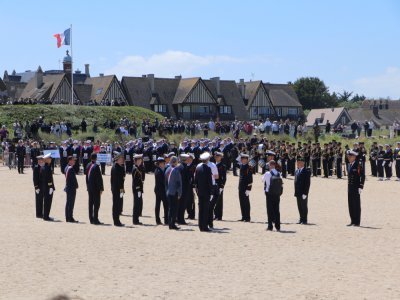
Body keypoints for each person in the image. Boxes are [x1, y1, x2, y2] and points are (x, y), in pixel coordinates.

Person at [194, 153, 213, 232]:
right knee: (205, 209)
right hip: (206, 192)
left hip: (200, 191)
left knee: (200, 209)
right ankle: (204, 226)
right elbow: (209, 182)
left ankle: (200, 225)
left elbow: (196, 181)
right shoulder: (208, 169)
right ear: (207, 160)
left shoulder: (198, 168)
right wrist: (211, 192)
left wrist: (197, 190)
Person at [262, 160, 283, 231]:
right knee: (277, 210)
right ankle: (278, 226)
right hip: (277, 194)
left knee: (269, 210)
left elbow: (262, 180)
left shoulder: (267, 173)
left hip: (269, 194)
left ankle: (270, 226)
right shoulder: (278, 173)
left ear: (270, 165)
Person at [346, 150, 365, 227]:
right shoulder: (350, 165)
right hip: (350, 188)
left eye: (350, 157)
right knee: (351, 204)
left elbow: (362, 176)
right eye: (348, 157)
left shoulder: (357, 165)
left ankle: (357, 222)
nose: (349, 158)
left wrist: (361, 186)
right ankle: (352, 221)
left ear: (354, 157)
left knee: (356, 205)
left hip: (356, 188)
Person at [86, 153, 104, 225]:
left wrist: (87, 186)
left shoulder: (88, 165)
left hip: (89, 187)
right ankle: (95, 219)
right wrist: (101, 188)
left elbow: (86, 177)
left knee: (90, 203)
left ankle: (91, 219)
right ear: (96, 158)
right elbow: (99, 179)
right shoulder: (96, 166)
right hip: (96, 188)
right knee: (96, 204)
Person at [165, 156, 182, 230]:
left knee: (170, 208)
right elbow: (179, 183)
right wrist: (179, 193)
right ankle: (173, 224)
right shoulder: (176, 170)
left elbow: (165, 181)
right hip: (174, 192)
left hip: (168, 191)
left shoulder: (167, 169)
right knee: (174, 209)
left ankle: (170, 224)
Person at [294, 158, 311, 224]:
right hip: (298, 191)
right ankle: (301, 218)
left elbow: (307, 183)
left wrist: (305, 193)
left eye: (299, 162)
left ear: (303, 163)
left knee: (304, 206)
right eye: (297, 162)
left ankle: (305, 219)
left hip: (303, 192)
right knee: (299, 206)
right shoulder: (296, 171)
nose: (297, 164)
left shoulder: (306, 171)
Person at [110, 152, 125, 227]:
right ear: (117, 159)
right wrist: (120, 190)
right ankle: (116, 221)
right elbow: (117, 181)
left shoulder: (120, 167)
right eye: (121, 159)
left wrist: (122, 190)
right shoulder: (115, 167)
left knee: (119, 204)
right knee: (116, 205)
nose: (122, 160)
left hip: (120, 189)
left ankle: (117, 219)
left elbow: (122, 179)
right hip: (116, 190)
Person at [238, 154, 253, 222]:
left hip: (246, 187)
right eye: (242, 159)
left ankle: (247, 217)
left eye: (244, 159)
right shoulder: (241, 166)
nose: (242, 160)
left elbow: (250, 179)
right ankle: (243, 216)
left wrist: (248, 189)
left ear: (247, 160)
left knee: (246, 202)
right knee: (241, 202)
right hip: (241, 187)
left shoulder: (249, 167)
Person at [154, 157, 168, 225]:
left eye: (164, 163)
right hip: (161, 190)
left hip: (159, 190)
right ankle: (161, 220)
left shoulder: (162, 170)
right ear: (159, 164)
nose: (164, 164)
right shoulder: (158, 171)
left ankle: (161, 220)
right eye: (162, 163)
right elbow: (163, 181)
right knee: (163, 205)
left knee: (160, 205)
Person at [64, 156, 79, 223]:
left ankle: (67, 217)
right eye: (73, 160)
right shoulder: (70, 169)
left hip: (68, 187)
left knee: (68, 203)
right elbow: (73, 179)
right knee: (71, 203)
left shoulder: (66, 167)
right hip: (71, 188)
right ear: (70, 161)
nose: (74, 161)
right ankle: (70, 218)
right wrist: (76, 185)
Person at [132, 154, 145, 225]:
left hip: (139, 189)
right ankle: (135, 220)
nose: (141, 161)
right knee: (136, 204)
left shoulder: (139, 168)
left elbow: (142, 178)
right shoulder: (135, 169)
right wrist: (138, 189)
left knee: (139, 204)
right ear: (136, 161)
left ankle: (136, 219)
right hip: (137, 189)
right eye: (140, 160)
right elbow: (135, 181)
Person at [42, 153, 55, 221]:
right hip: (48, 188)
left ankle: (46, 215)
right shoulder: (47, 168)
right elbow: (48, 178)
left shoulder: (45, 166)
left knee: (47, 202)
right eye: (49, 158)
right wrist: (50, 187)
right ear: (47, 160)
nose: (51, 159)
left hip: (46, 187)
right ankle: (46, 216)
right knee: (47, 202)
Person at [214, 152, 227, 221]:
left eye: (218, 156)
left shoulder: (223, 166)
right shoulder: (213, 165)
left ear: (220, 157)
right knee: (214, 200)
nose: (216, 157)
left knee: (219, 201)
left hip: (219, 185)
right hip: (213, 185)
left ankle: (219, 216)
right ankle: (215, 214)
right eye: (216, 156)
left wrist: (222, 186)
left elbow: (224, 178)